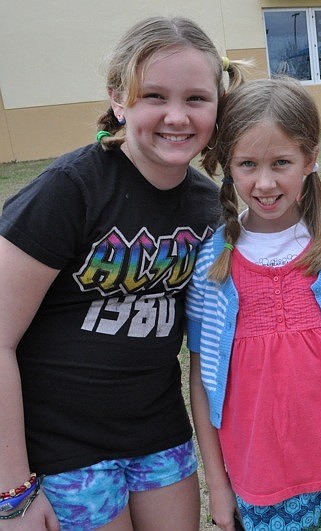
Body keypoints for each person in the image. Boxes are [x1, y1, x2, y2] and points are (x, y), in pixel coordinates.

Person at [0, 16, 246, 530]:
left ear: (218, 107)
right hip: (64, 450)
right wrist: (13, 491)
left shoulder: (209, 208)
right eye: (154, 95)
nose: (176, 116)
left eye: (196, 99)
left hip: (158, 436)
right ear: (119, 100)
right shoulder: (70, 191)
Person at [186, 77, 321, 531]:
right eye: (246, 164)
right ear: (227, 165)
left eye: (281, 162)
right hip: (255, 476)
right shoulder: (212, 263)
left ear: (310, 157)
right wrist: (217, 486)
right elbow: (202, 384)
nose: (264, 182)